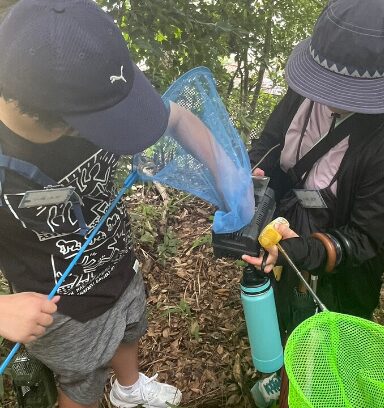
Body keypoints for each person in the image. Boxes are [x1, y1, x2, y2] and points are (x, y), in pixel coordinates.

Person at [0, 0, 236, 407]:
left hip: (117, 264)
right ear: (65, 122)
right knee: (82, 381)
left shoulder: (91, 87)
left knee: (129, 325)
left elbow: (176, 118)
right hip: (59, 310)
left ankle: (129, 389)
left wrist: (229, 175)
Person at [242, 0, 384, 406]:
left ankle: (311, 386)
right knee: (284, 321)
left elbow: (362, 238)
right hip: (286, 215)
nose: (330, 97)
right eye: (327, 85)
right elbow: (269, 144)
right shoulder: (303, 93)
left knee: (330, 346)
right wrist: (255, 178)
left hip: (340, 265)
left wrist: (296, 249)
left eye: (344, 91)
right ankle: (283, 371)